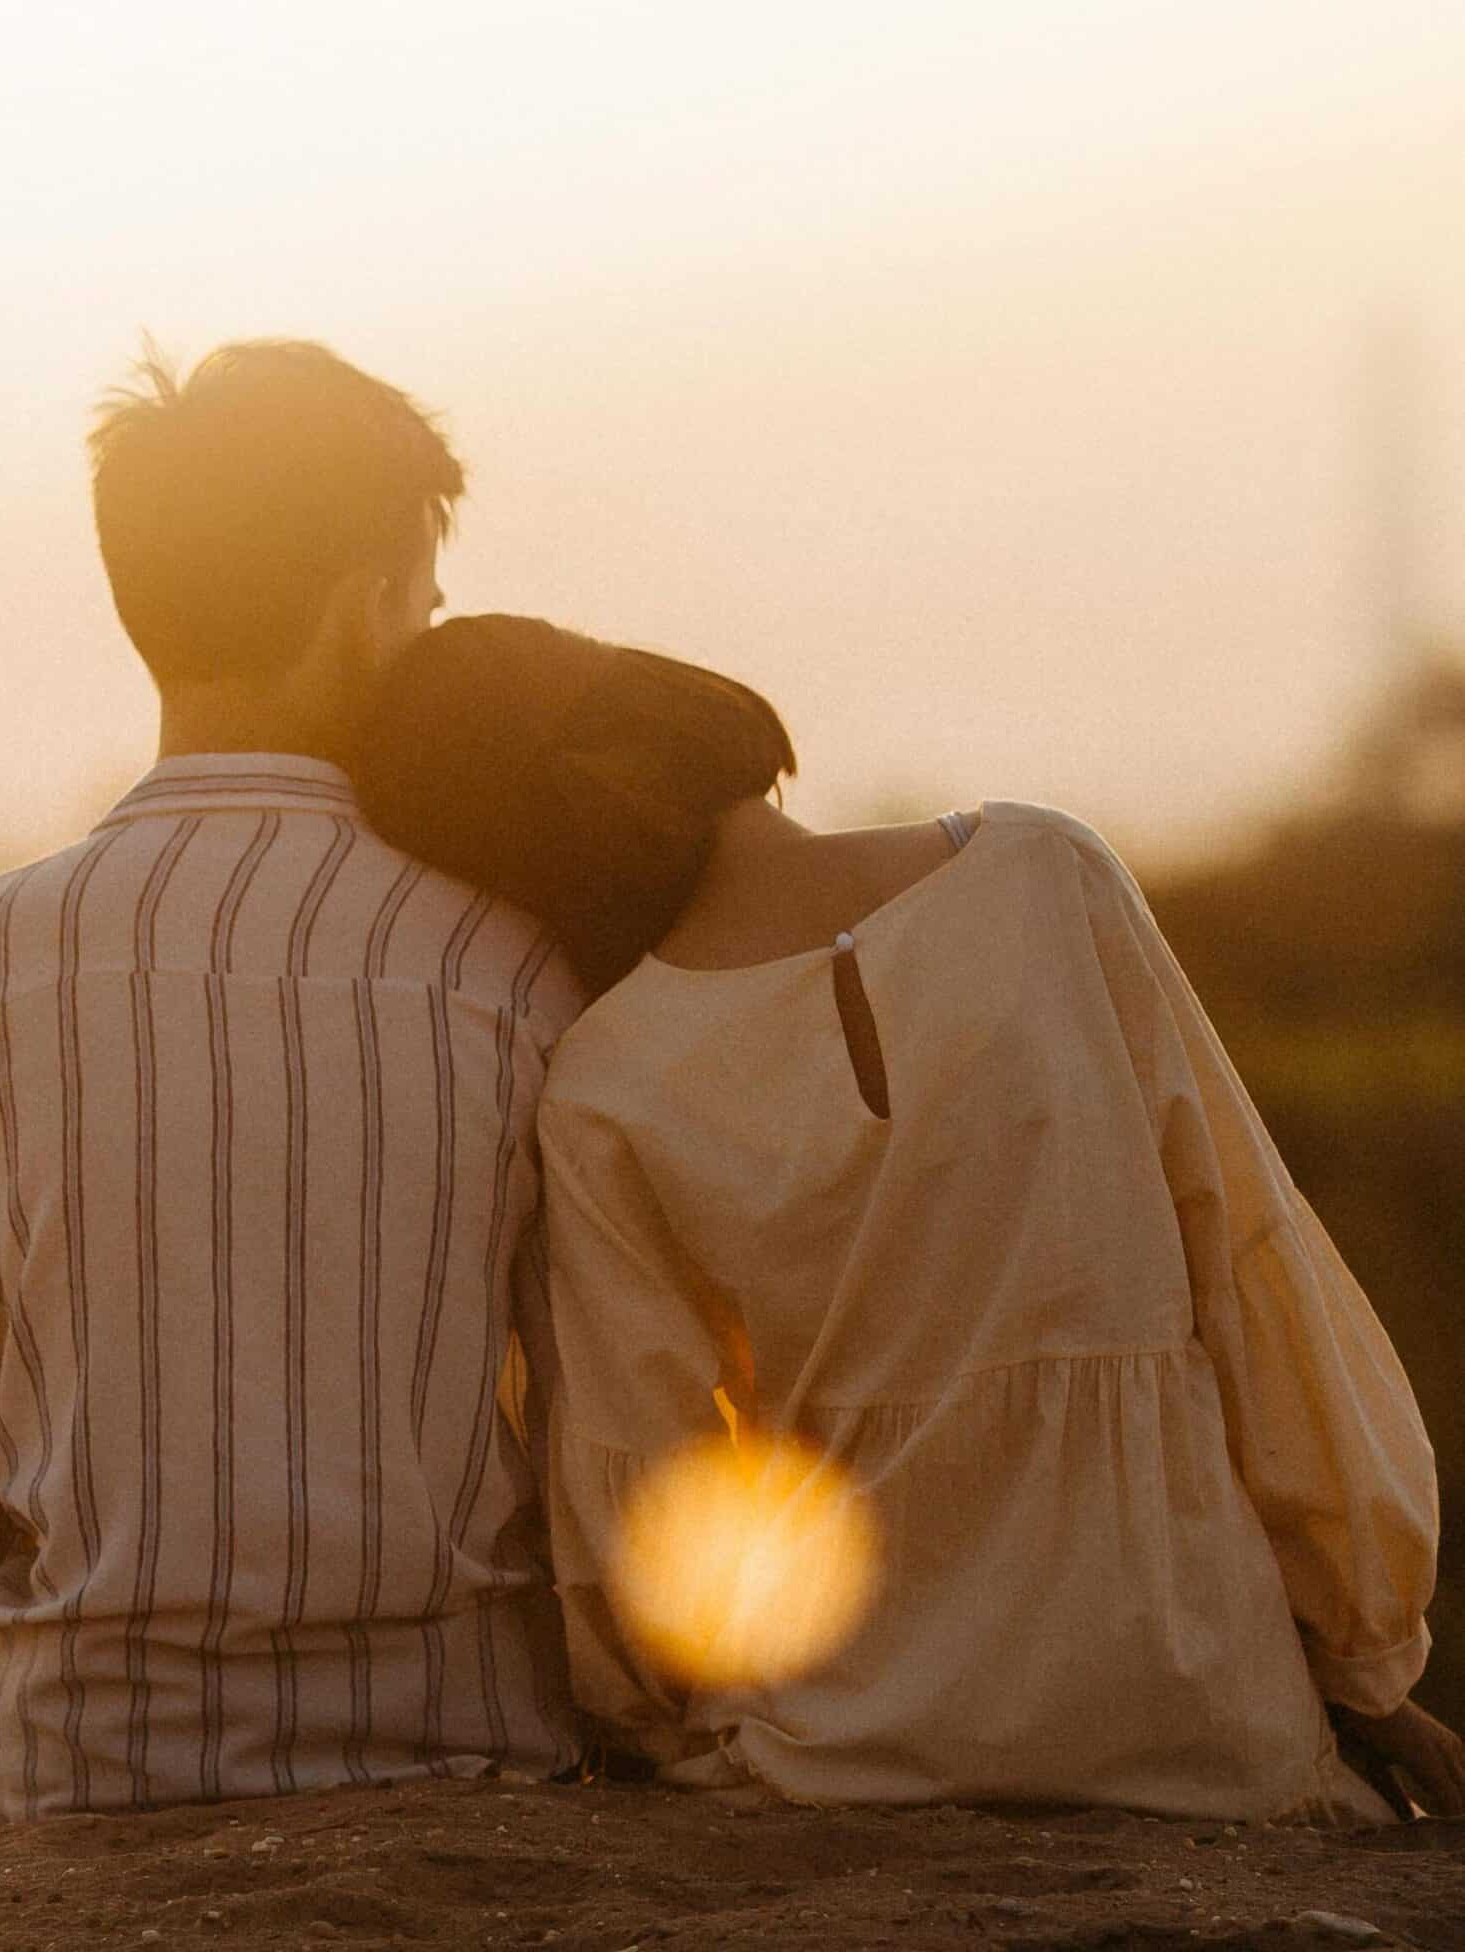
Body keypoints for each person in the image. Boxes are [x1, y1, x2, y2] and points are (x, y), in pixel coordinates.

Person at [353, 613, 1465, 1822]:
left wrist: (651, 1719)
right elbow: (1253, 1270)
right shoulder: (1048, 872)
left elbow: (646, 1482)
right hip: (1195, 1710)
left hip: (844, 1748)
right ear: (671, 699)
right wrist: (1364, 1657)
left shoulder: (606, 1082)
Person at [0, 344, 584, 1819]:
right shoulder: (516, 961)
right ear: (372, 600)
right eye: (423, 603)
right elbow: (603, 1417)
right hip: (468, 1754)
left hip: (92, 1768)